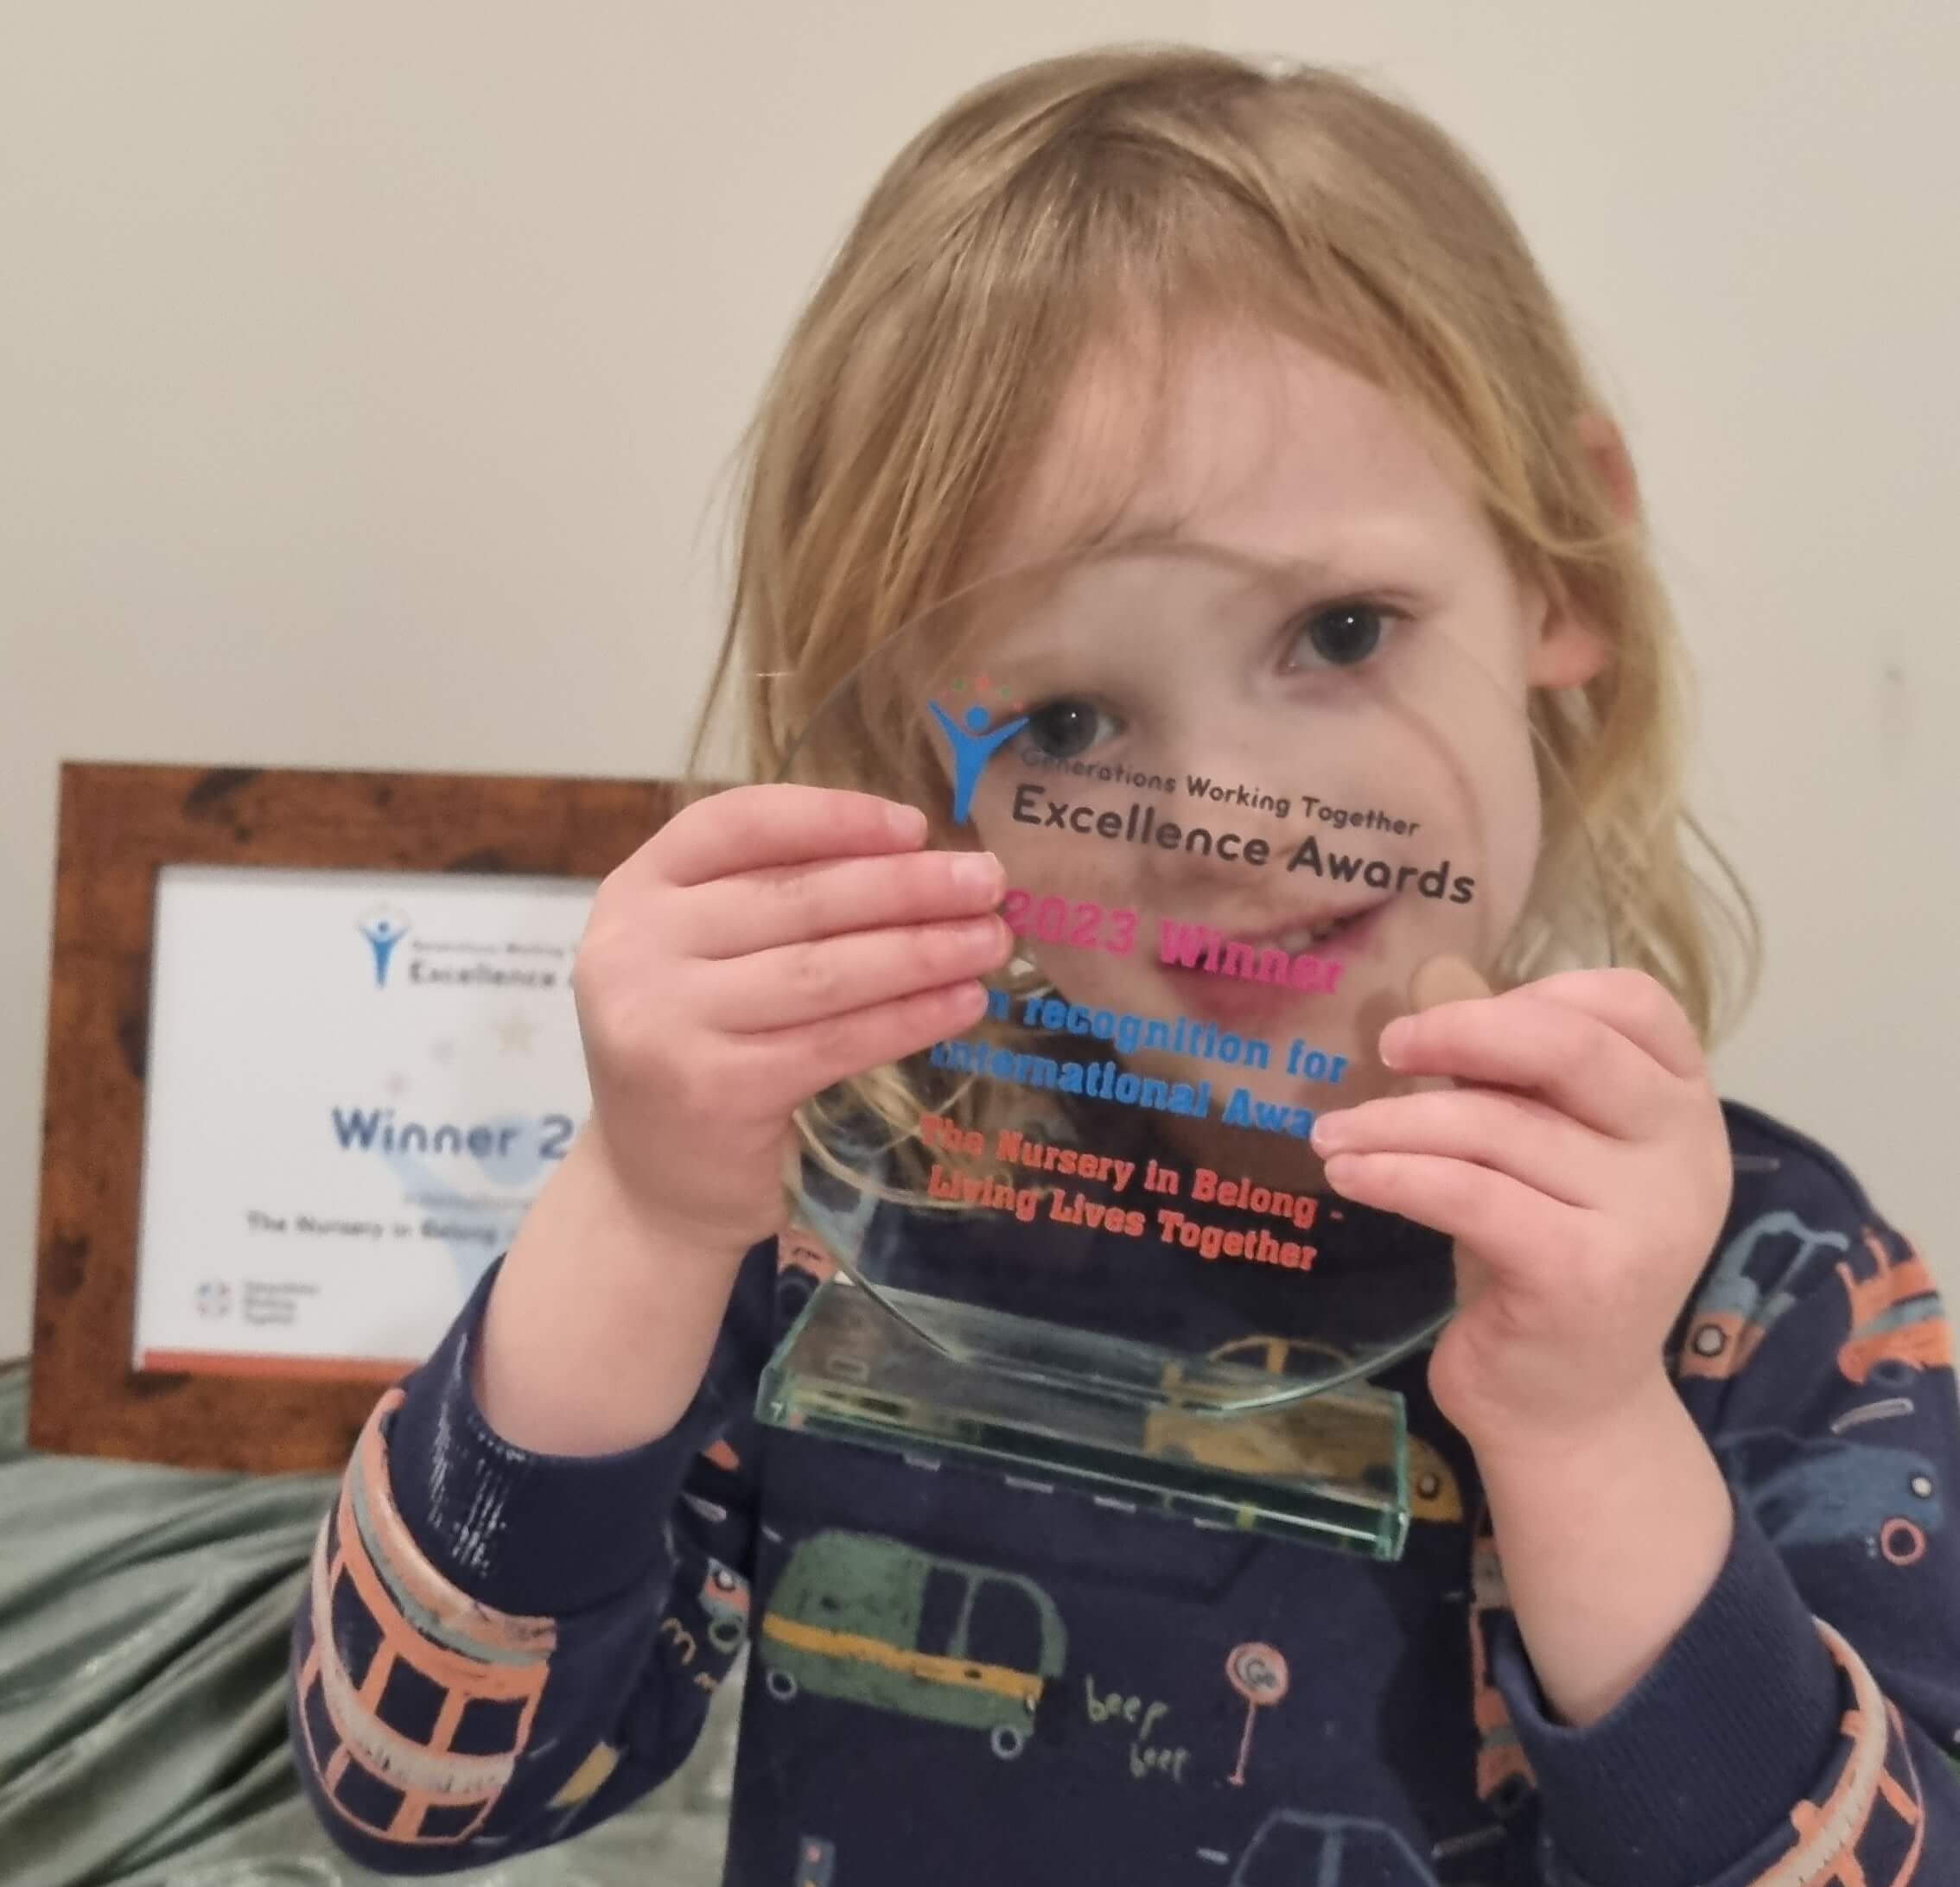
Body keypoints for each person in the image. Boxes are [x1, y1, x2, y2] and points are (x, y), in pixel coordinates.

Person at [288, 46, 1960, 1886]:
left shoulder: (1768, 1284)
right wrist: (640, 1210)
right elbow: (415, 1782)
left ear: (1560, 569)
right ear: (931, 772)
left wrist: (1589, 1432)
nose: (1231, 824)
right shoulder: (832, 1208)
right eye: (1068, 722)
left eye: (1339, 631)